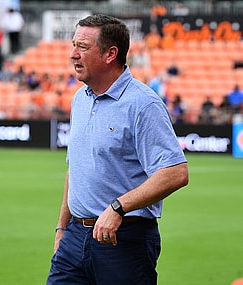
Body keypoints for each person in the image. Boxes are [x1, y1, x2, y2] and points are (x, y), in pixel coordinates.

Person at [46, 14, 189, 285]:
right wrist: (62, 227)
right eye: (73, 45)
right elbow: (75, 169)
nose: (73, 55)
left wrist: (117, 208)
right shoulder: (80, 99)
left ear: (111, 53)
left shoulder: (143, 104)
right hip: (75, 239)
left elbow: (176, 172)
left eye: (83, 47)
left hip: (122, 240)